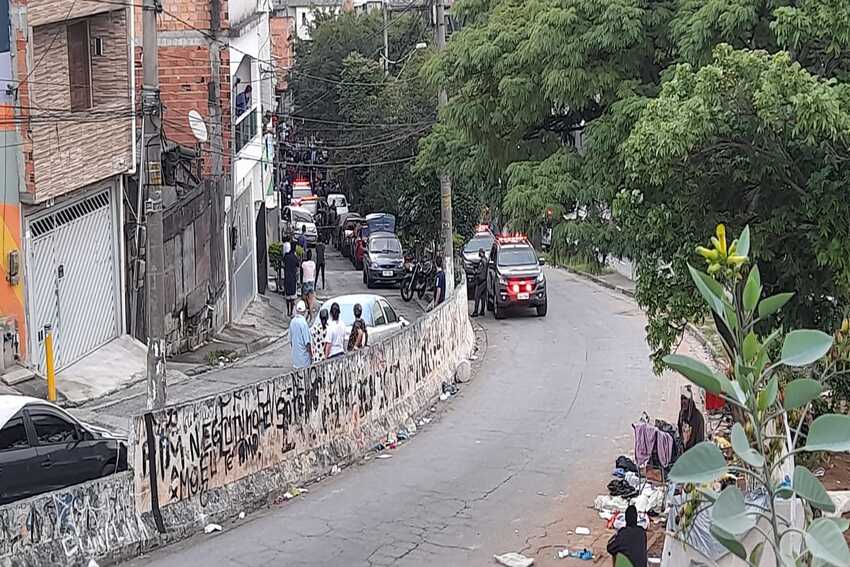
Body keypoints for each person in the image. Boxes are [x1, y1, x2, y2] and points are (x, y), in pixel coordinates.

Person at [678, 386, 705, 451]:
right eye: (682, 399)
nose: (683, 401)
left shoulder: (698, 417)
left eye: (685, 399)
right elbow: (679, 428)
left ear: (690, 400)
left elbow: (700, 440)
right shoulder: (681, 413)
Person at [289, 300, 312, 369]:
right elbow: (307, 343)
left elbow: (290, 340)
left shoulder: (292, 322)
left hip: (295, 359)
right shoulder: (303, 323)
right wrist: (311, 355)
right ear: (304, 311)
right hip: (304, 359)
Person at [283, 243, 299, 317]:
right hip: (293, 278)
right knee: (292, 297)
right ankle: (291, 312)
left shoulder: (286, 256)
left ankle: (288, 310)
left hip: (287, 278)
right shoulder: (294, 257)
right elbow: (298, 265)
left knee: (287, 296)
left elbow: (283, 262)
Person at [472, 248, 488, 316]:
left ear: (482, 253)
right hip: (485, 281)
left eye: (479, 252)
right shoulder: (486, 260)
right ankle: (482, 311)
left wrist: (474, 271)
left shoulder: (482, 261)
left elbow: (479, 271)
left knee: (477, 296)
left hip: (480, 281)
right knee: (483, 297)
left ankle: (476, 312)